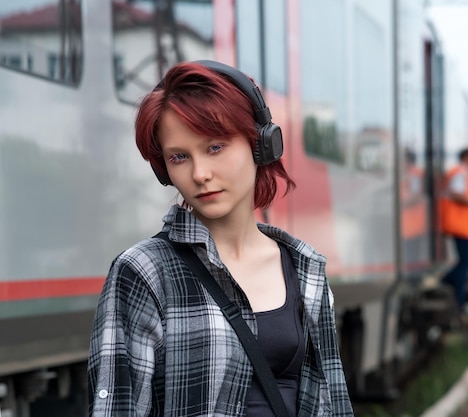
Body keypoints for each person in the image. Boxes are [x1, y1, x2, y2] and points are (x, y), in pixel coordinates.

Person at [87, 60, 354, 417]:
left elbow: (331, 403)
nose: (200, 174)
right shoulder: (143, 273)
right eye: (179, 157)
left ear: (260, 144)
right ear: (164, 170)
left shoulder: (304, 268)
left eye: (215, 148)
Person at [440, 147, 468, 317]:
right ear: (466, 158)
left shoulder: (462, 173)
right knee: (465, 263)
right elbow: (456, 193)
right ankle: (459, 300)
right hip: (458, 226)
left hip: (463, 226)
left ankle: (449, 280)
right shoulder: (460, 173)